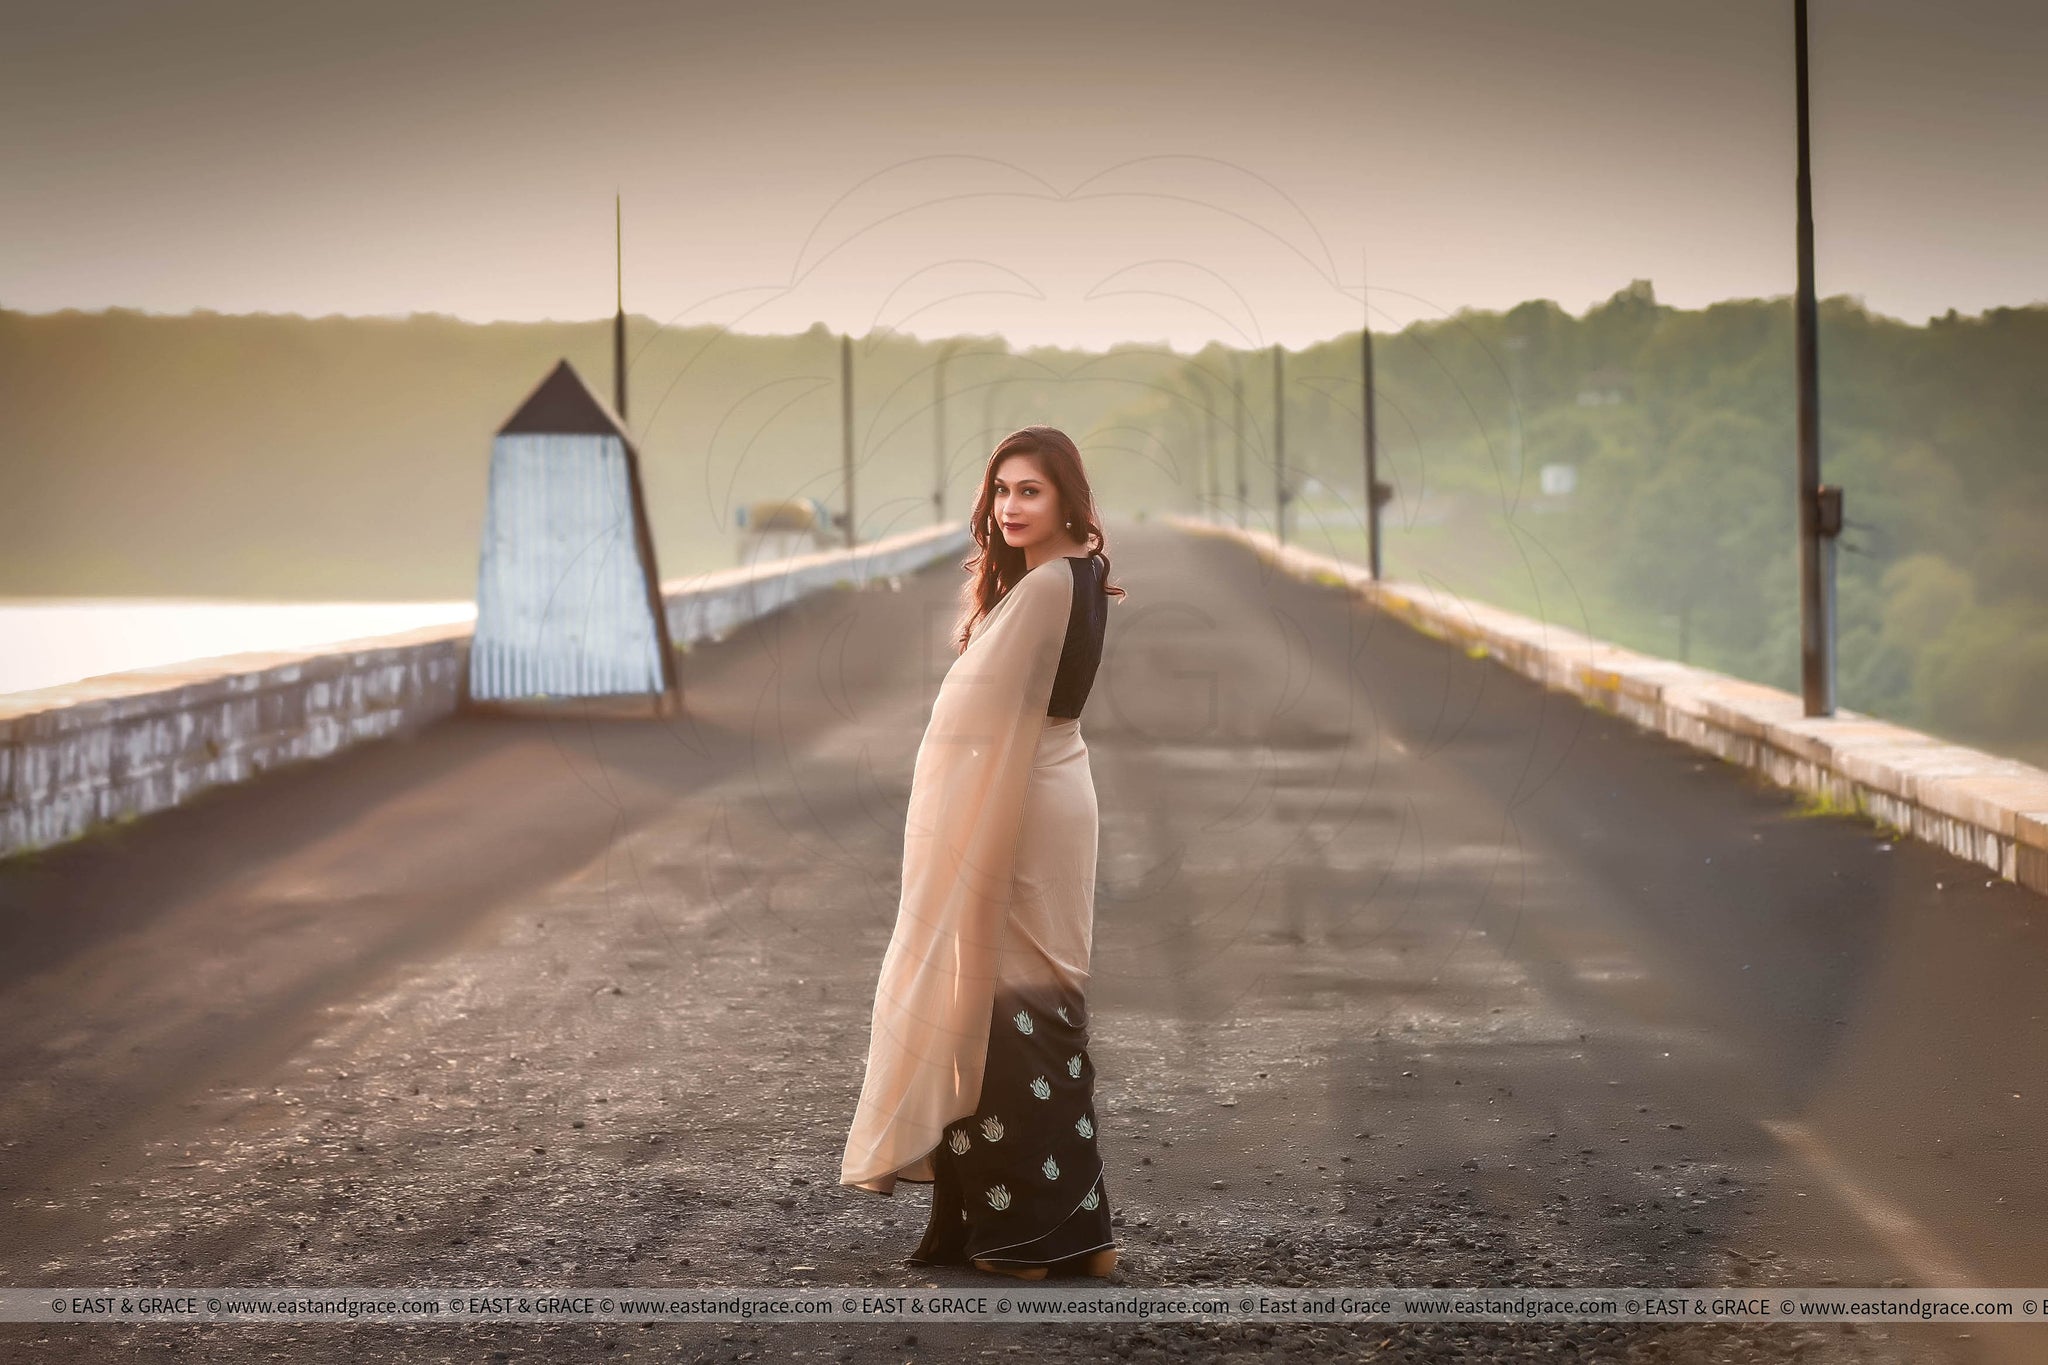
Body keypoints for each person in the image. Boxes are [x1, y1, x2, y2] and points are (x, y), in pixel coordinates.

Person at [840, 426, 1125, 1281]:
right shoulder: (1081, 575)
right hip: (1059, 784)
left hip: (1024, 800)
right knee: (1044, 1001)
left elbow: (971, 712)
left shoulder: (1044, 588)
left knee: (1002, 1008)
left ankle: (1025, 1242)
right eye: (1001, 490)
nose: (1009, 507)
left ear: (1067, 497)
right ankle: (1084, 1233)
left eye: (1029, 491)